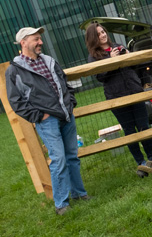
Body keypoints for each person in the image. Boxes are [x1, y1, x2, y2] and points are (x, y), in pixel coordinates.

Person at [6, 27, 90, 215]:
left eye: (40, 39)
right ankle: (61, 203)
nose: (40, 42)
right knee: (59, 159)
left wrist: (71, 102)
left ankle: (79, 193)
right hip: (47, 120)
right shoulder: (15, 70)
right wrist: (39, 116)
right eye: (36, 39)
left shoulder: (50, 61)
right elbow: (15, 101)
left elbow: (64, 83)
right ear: (23, 43)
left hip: (66, 115)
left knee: (72, 157)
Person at [85, 23, 152, 176]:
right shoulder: (94, 56)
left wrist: (129, 56)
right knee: (129, 130)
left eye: (103, 31)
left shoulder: (118, 46)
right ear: (93, 38)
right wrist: (112, 61)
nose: (102, 35)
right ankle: (140, 162)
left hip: (134, 90)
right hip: (116, 97)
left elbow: (135, 67)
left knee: (143, 126)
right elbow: (100, 77)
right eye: (99, 34)